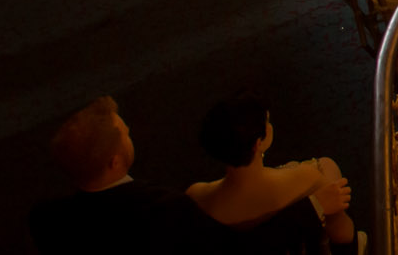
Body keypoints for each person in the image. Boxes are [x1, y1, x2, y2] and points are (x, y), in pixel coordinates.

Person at [28, 96, 324, 255]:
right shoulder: (163, 211)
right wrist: (312, 208)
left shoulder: (45, 220)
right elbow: (234, 250)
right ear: (114, 162)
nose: (131, 134)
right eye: (125, 134)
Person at [185, 95, 353, 253]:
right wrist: (318, 207)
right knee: (327, 166)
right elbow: (343, 236)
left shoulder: (195, 195)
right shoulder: (307, 178)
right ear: (258, 143)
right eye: (267, 121)